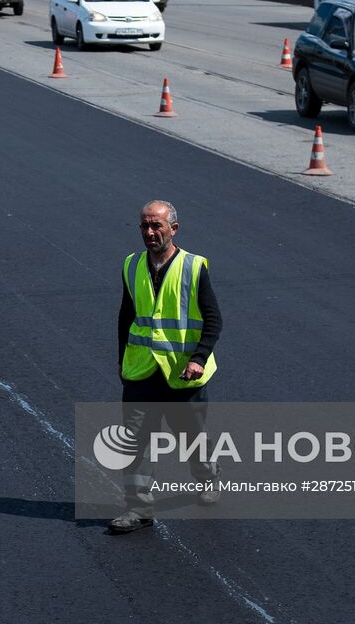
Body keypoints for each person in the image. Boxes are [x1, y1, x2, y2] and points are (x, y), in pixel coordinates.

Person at [109, 200, 223, 534]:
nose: (149, 232)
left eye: (156, 226)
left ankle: (207, 477)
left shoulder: (193, 266)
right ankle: (138, 508)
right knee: (134, 441)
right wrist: (121, 358)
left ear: (173, 228)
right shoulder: (131, 266)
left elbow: (214, 319)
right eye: (144, 226)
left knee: (191, 437)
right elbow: (125, 317)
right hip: (141, 371)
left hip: (181, 373)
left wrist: (198, 359)